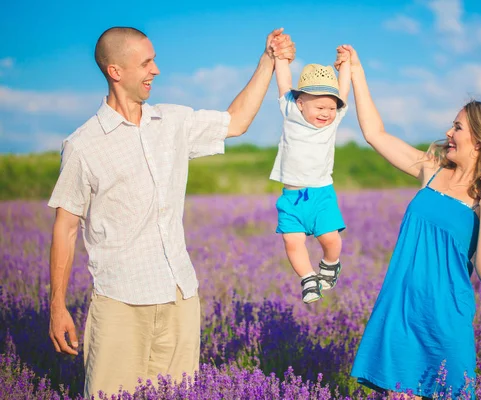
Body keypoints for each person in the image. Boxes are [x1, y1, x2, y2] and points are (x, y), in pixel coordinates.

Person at [47, 26, 295, 398]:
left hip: (180, 296)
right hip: (121, 303)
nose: (156, 70)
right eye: (146, 62)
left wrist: (268, 61)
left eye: (155, 60)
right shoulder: (84, 146)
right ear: (116, 71)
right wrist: (57, 306)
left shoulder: (173, 121)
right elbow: (65, 228)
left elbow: (237, 121)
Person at [336, 45, 481, 398]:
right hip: (402, 311)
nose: (449, 132)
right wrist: (356, 71)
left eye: (458, 127)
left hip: (445, 323)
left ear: (479, 140)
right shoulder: (430, 171)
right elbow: (376, 134)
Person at [269, 46, 350, 304]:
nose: (326, 113)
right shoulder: (290, 112)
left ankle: (330, 263)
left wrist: (346, 65)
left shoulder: (333, 120)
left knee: (331, 239)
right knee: (292, 241)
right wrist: (280, 58)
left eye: (330, 107)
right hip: (291, 197)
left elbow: (344, 92)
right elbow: (284, 84)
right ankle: (308, 278)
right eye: (320, 107)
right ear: (300, 103)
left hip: (321, 194)